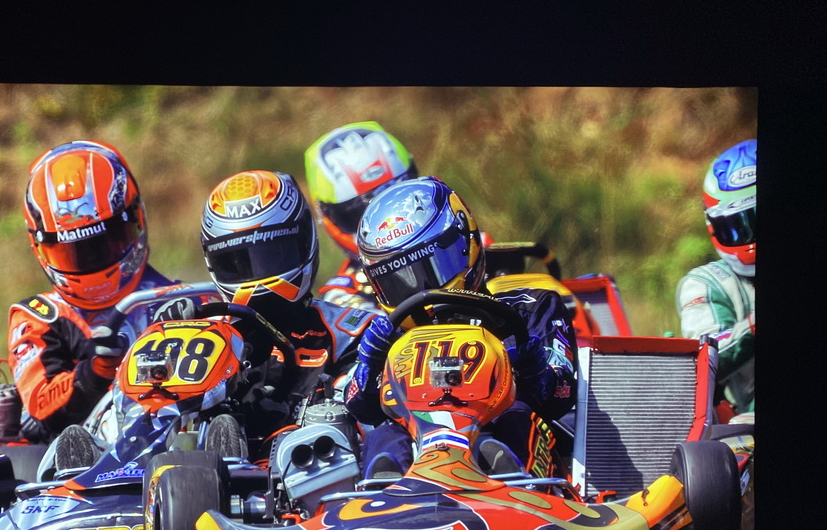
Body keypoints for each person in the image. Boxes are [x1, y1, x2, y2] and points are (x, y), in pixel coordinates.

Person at [343, 176, 578, 478]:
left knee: (517, 417)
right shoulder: (391, 336)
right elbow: (359, 408)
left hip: (503, 435)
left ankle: (518, 482)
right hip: (419, 449)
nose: (421, 291)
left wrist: (533, 372)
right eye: (397, 281)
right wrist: (369, 364)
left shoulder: (531, 307)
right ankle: (383, 492)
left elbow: (561, 395)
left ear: (465, 245)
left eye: (430, 269)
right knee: (385, 432)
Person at [156, 169, 379, 458]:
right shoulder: (201, 335)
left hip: (316, 470)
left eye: (272, 255)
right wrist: (165, 346)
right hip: (204, 484)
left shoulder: (352, 332)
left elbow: (374, 415)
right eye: (239, 263)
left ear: (303, 241)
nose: (259, 281)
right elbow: (146, 414)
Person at [9, 140, 202, 450]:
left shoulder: (183, 300)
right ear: (41, 248)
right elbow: (41, 404)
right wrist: (94, 373)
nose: (92, 261)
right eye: (72, 252)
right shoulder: (39, 318)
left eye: (105, 242)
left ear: (136, 219)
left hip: (181, 445)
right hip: (82, 459)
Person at [675, 139, 755, 417]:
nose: (751, 236)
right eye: (739, 225)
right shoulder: (706, 283)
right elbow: (707, 358)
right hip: (747, 421)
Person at [304, 122, 419, 311]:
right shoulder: (341, 300)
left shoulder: (466, 241)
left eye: (400, 202)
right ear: (326, 214)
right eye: (359, 214)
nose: (389, 224)